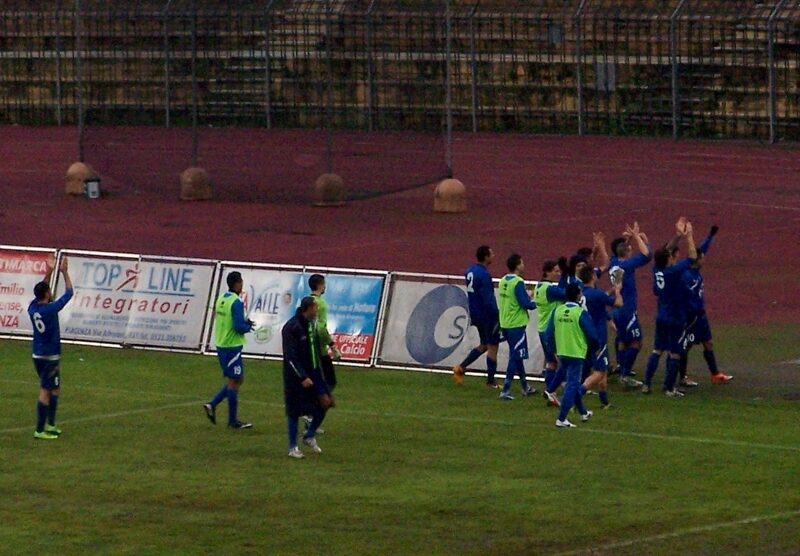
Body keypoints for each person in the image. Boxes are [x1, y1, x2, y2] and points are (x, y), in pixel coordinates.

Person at [643, 219, 697, 397]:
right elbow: (692, 258)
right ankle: (668, 388)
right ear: (668, 258)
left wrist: (677, 236)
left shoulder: (657, 269)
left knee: (657, 350)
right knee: (675, 353)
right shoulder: (673, 272)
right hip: (675, 317)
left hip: (661, 315)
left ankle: (647, 384)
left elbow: (664, 251)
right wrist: (689, 237)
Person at [679, 226, 733, 386]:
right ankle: (681, 377)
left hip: (701, 316)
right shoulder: (687, 276)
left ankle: (715, 374)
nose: (704, 259)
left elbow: (703, 249)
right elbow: (684, 297)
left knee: (708, 343)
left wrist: (710, 235)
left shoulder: (694, 270)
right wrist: (692, 311)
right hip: (692, 317)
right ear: (697, 260)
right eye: (702, 258)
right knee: (685, 346)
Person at [282, 296, 334, 459]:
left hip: (314, 371)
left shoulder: (310, 325)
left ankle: (309, 435)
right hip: (296, 376)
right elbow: (290, 357)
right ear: (308, 308)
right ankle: (292, 447)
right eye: (315, 308)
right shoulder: (291, 328)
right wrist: (302, 376)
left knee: (326, 401)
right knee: (293, 411)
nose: (317, 310)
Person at [28, 255, 73, 440]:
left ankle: (51, 424)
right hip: (49, 357)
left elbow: (41, 291)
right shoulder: (51, 309)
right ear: (47, 294)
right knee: (46, 390)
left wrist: (48, 272)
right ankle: (39, 430)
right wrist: (64, 272)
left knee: (55, 388)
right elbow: (69, 293)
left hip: (38, 355)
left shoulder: (33, 308)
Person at [203, 271, 254, 429]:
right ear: (237, 283)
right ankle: (232, 421)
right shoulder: (236, 302)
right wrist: (249, 326)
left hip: (221, 343)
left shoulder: (221, 299)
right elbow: (238, 327)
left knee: (237, 379)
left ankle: (212, 404)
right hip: (232, 346)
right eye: (241, 282)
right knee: (235, 381)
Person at [544, 283, 599, 428]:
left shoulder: (557, 310)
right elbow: (592, 335)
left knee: (568, 380)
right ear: (577, 295)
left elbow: (548, 334)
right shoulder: (580, 313)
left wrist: (554, 349)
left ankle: (583, 412)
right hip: (577, 353)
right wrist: (595, 348)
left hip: (562, 352)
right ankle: (561, 418)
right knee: (572, 385)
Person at [608, 222, 652, 388]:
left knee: (623, 340)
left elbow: (619, 251)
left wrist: (628, 240)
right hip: (627, 310)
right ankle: (625, 375)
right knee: (636, 342)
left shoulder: (613, 263)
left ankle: (621, 367)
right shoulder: (627, 265)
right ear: (627, 252)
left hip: (617, 309)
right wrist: (638, 237)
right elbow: (647, 254)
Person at [453, 245, 501, 388]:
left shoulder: (470, 271)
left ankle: (461, 368)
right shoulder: (484, 274)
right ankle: (491, 382)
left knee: (485, 344)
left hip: (475, 312)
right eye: (491, 254)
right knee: (493, 346)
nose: (494, 256)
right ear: (486, 257)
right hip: (487, 314)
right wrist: (495, 313)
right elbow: (488, 298)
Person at [577, 265, 622, 409]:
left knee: (602, 368)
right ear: (592, 277)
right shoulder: (597, 294)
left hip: (585, 335)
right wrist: (617, 290)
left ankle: (604, 402)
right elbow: (618, 303)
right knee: (599, 372)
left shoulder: (582, 293)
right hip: (598, 337)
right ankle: (576, 395)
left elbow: (601, 305)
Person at [497, 253, 537, 400]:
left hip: (505, 323)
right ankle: (505, 390)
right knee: (515, 357)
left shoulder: (503, 281)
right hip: (516, 325)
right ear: (517, 265)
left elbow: (514, 300)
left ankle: (525, 386)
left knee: (517, 355)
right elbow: (525, 304)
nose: (524, 265)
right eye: (522, 263)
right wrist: (537, 302)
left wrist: (528, 297)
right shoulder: (518, 282)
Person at [534, 259, 567, 407]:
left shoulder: (539, 286)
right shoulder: (550, 289)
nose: (557, 273)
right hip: (551, 330)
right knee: (563, 361)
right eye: (555, 271)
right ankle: (552, 390)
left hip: (542, 328)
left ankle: (550, 392)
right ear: (547, 272)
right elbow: (567, 294)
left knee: (551, 362)